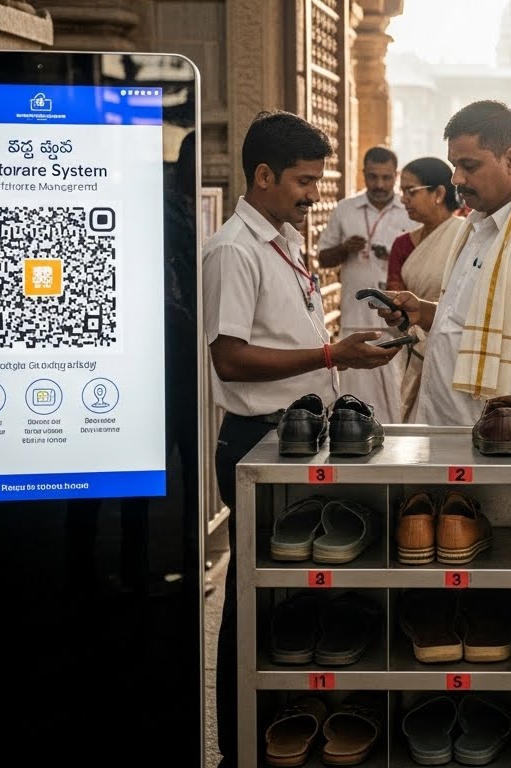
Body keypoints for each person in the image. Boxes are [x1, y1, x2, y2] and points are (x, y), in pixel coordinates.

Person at [202, 111, 400, 768]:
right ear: (261, 175)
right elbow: (229, 358)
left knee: (297, 589)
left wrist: (336, 357)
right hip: (260, 439)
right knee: (251, 598)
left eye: (316, 181)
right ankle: (239, 745)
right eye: (302, 181)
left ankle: (297, 720)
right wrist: (326, 353)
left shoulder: (282, 238)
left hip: (298, 432)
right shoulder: (232, 250)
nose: (312, 194)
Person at [381, 100, 511, 425]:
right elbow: (466, 320)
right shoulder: (477, 227)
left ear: (510, 160)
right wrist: (423, 311)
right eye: (454, 165)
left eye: (469, 165)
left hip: (501, 447)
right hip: (447, 432)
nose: (456, 179)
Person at [316, 145, 415, 421]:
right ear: (363, 174)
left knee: (396, 406)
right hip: (355, 320)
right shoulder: (345, 209)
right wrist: (344, 249)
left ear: (395, 175)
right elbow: (323, 258)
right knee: (356, 406)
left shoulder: (408, 212)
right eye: (373, 177)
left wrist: (394, 255)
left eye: (386, 177)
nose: (379, 184)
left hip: (395, 324)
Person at [386, 157, 467, 421]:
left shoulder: (468, 236)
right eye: (403, 192)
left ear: (439, 193)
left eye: (411, 191)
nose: (404, 200)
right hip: (413, 345)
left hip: (456, 346)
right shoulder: (402, 245)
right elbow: (395, 298)